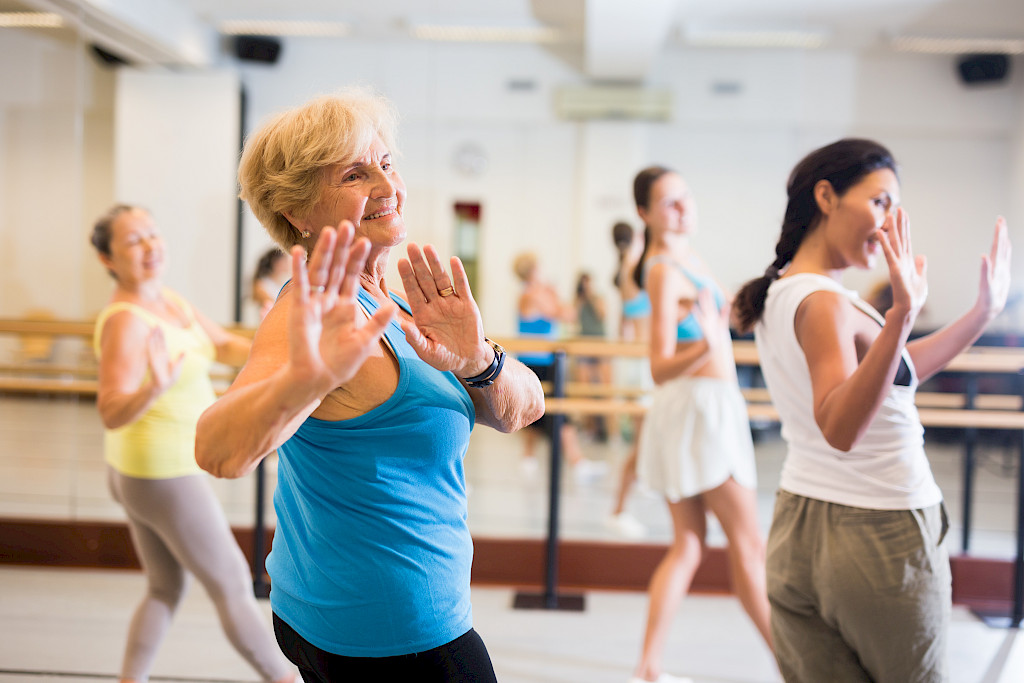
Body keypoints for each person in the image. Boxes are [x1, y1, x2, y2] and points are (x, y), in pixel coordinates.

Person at [193, 91, 544, 682]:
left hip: (351, 608)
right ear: (299, 212)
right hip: (392, 633)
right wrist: (307, 381)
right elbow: (217, 450)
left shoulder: (400, 300)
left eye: (386, 162)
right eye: (355, 173)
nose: (386, 185)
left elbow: (524, 409)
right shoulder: (308, 309)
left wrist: (477, 359)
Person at [732, 138, 1011, 683]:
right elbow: (839, 425)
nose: (888, 225)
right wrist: (903, 313)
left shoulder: (786, 290)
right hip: (880, 535)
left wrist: (981, 314)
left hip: (800, 527)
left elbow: (896, 371)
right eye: (880, 202)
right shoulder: (827, 303)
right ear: (826, 196)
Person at [89, 204, 294, 683]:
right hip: (161, 474)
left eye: (152, 234)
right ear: (109, 260)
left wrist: (279, 340)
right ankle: (283, 679)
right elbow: (109, 410)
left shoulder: (170, 302)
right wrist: (151, 389)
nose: (150, 246)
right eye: (134, 241)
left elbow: (224, 346)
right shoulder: (125, 320)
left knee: (164, 589)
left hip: (142, 473)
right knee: (230, 585)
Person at [628, 167, 773, 683]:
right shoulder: (664, 270)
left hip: (710, 407)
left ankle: (648, 666)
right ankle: (793, 666)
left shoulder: (690, 260)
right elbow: (659, 364)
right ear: (645, 214)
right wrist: (708, 348)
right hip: (700, 410)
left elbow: (722, 320)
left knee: (689, 542)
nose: (683, 209)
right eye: (669, 202)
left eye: (685, 197)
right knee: (748, 544)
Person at [513, 251, 604, 481]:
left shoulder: (534, 293)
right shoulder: (533, 294)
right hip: (539, 361)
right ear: (533, 270)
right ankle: (577, 462)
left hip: (539, 359)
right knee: (556, 410)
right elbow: (567, 314)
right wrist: (560, 295)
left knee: (537, 410)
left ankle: (529, 457)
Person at [607, 221, 652, 539]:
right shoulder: (638, 268)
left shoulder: (628, 269)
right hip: (642, 365)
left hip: (640, 361)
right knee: (642, 441)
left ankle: (640, 486)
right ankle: (619, 509)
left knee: (648, 441)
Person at [574, 271, 613, 442]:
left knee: (605, 390)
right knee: (584, 390)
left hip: (600, 345)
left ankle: (611, 432)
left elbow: (602, 315)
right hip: (583, 344)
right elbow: (572, 318)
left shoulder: (599, 298)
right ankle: (589, 428)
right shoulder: (577, 301)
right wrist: (580, 299)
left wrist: (590, 297)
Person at [252, 247, 290, 320]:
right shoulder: (261, 284)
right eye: (285, 261)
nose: (287, 264)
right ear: (276, 262)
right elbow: (272, 305)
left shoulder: (284, 283)